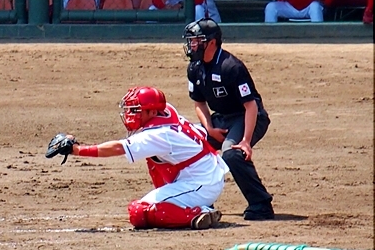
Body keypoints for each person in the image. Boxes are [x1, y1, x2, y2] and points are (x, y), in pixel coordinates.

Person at [46, 86, 228, 230]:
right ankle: (187, 203)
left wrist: (76, 150)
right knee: (153, 160)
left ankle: (197, 213)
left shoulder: (158, 135)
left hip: (201, 184)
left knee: (139, 212)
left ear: (152, 112)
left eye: (136, 110)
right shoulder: (166, 111)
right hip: (204, 174)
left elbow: (118, 148)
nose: (131, 114)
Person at [183, 18, 274, 221]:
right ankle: (201, 200)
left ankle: (261, 204)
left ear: (211, 42)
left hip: (249, 116)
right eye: (191, 41)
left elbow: (251, 106)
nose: (192, 45)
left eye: (197, 41)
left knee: (232, 153)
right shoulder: (194, 67)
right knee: (190, 145)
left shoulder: (231, 67)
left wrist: (246, 141)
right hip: (222, 119)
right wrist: (209, 129)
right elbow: (199, 103)